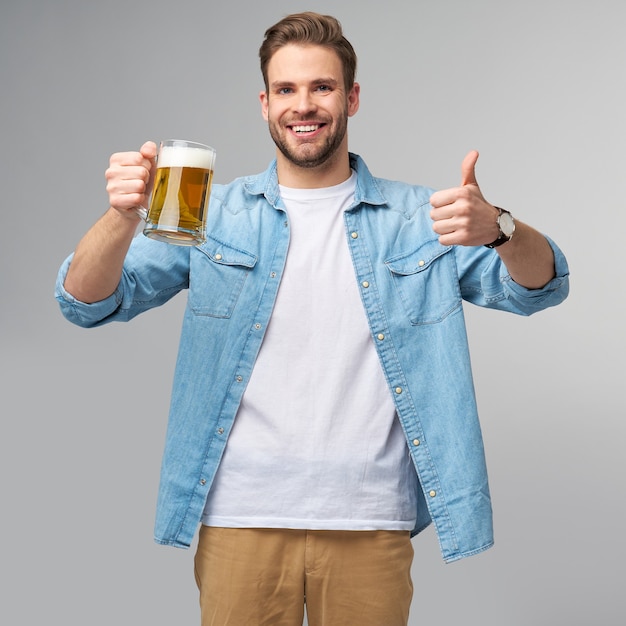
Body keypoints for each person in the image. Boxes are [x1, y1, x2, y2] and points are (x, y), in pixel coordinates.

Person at [55, 11, 569, 626]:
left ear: (350, 98)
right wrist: (122, 217)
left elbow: (541, 287)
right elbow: (86, 302)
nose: (305, 105)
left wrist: (502, 229)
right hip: (240, 517)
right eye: (288, 89)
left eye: (322, 87)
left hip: (369, 520)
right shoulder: (210, 215)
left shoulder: (418, 218)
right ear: (265, 102)